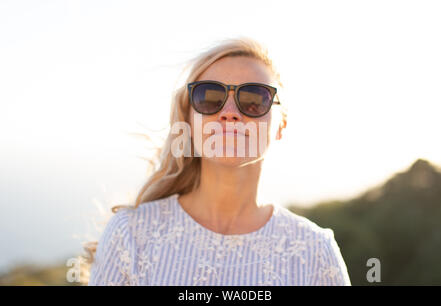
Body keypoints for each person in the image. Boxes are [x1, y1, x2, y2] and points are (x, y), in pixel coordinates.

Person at [86, 37, 351, 286]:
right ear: (189, 118)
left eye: (254, 99)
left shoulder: (316, 251)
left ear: (281, 124)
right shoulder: (131, 235)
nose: (229, 113)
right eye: (209, 97)